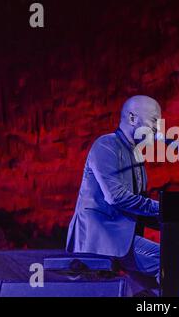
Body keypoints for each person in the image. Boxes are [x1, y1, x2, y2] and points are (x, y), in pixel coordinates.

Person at [66, 95, 162, 293]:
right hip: (101, 237)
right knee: (172, 257)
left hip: (119, 238)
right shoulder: (106, 145)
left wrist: (175, 219)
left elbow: (138, 205)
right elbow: (116, 197)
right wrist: (163, 208)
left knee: (163, 281)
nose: (157, 129)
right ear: (133, 118)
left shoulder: (135, 155)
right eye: (154, 120)